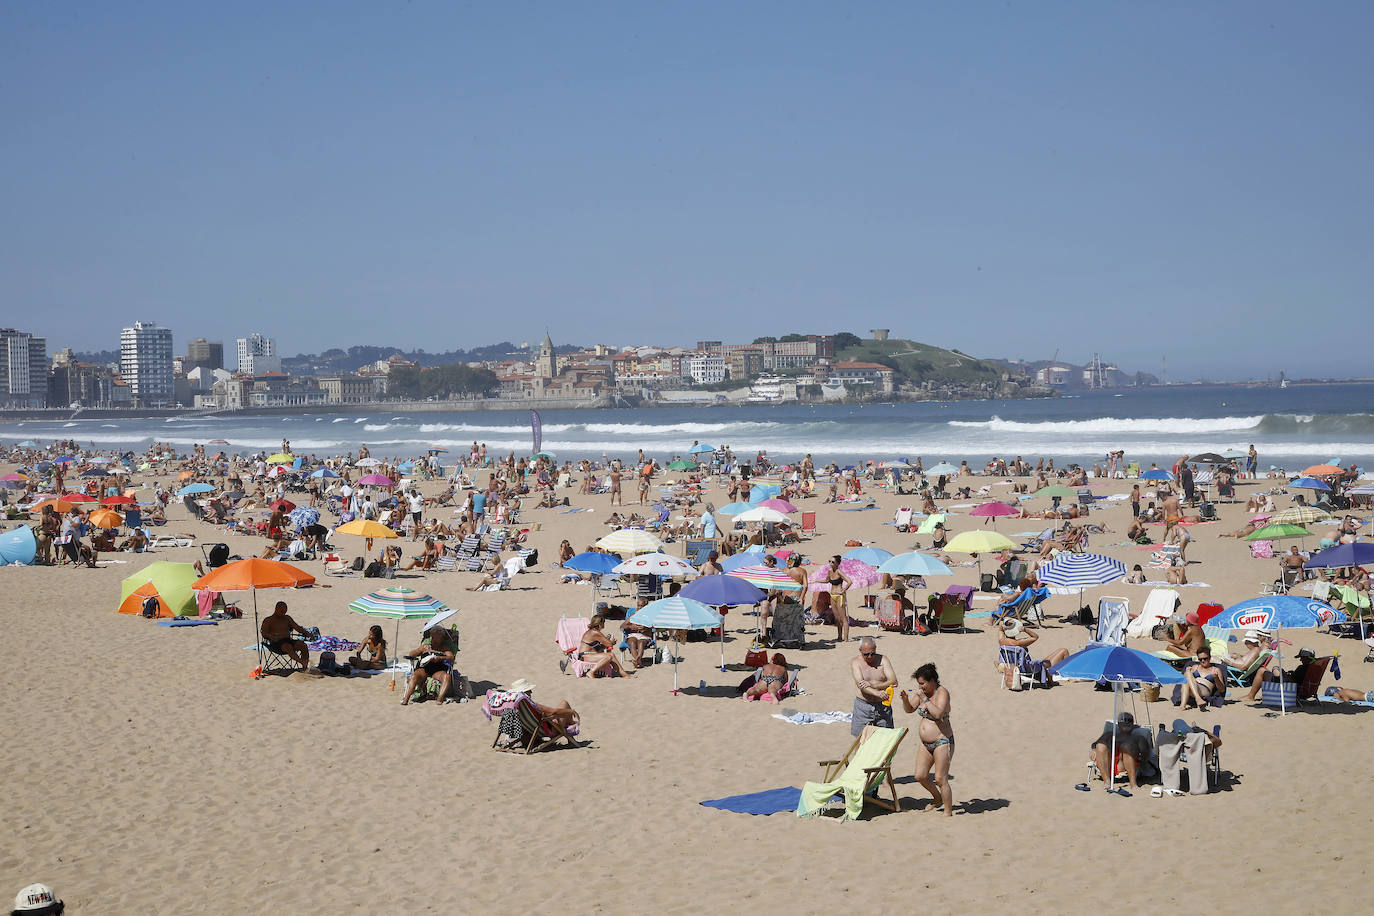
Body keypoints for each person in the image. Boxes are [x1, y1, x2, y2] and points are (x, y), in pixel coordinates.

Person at [899, 662, 955, 815]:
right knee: (920, 775)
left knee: (940, 778)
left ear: (932, 681)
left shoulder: (942, 692)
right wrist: (905, 699)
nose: (920, 687)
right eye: (919, 684)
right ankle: (937, 798)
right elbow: (909, 709)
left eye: (923, 683)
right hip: (926, 744)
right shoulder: (922, 694)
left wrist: (924, 698)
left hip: (942, 741)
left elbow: (938, 714)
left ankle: (948, 812)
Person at [848, 637, 897, 736]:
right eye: (866, 654)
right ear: (860, 650)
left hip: (882, 706)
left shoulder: (883, 660)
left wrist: (874, 685)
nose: (870, 656)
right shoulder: (856, 662)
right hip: (863, 707)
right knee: (860, 740)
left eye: (872, 653)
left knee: (885, 740)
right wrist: (877, 692)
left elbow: (894, 681)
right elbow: (860, 685)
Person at [401, 621, 458, 705]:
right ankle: (406, 699)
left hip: (438, 670)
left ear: (442, 637)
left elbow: (451, 657)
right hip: (424, 669)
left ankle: (439, 699)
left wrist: (440, 657)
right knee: (414, 676)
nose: (434, 639)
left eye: (437, 637)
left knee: (447, 677)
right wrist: (421, 650)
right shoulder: (426, 646)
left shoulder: (444, 647)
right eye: (433, 636)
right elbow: (411, 654)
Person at [1088, 712, 1146, 792]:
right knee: (1100, 746)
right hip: (1108, 764)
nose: (1126, 723)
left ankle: (1133, 783)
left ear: (1132, 724)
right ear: (1119, 724)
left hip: (1125, 765)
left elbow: (1144, 753)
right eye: (1123, 721)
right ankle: (1107, 781)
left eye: (1129, 721)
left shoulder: (1138, 738)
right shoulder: (1110, 735)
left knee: (1126, 746)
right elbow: (1095, 744)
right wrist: (1094, 749)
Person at [998, 618, 1069, 681]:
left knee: (1049, 659)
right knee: (1063, 651)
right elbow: (1035, 637)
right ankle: (1066, 675)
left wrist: (1005, 624)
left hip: (1016, 669)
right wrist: (1025, 630)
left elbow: (1000, 629)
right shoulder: (1019, 643)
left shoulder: (1001, 642)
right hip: (1031, 670)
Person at [1246, 647, 1318, 702]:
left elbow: (1294, 681)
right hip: (1301, 690)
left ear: (1307, 658)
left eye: (1302, 658)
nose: (1300, 660)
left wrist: (1286, 676)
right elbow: (1300, 679)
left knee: (1262, 670)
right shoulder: (1315, 668)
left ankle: (1250, 696)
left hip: (1290, 690)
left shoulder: (1302, 668)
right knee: (1268, 670)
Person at [260, 601, 313, 671]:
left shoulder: (287, 618)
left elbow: (297, 628)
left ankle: (304, 668)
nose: (283, 613)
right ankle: (302, 662)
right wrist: (270, 636)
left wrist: (307, 633)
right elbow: (264, 633)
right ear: (276, 609)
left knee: (303, 645)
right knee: (288, 647)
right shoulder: (268, 620)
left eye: (285, 611)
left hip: (288, 640)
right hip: (276, 643)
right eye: (282, 611)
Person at [825, 555, 855, 643]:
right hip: (832, 595)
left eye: (833, 562)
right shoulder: (830, 571)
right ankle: (839, 637)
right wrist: (816, 581)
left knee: (843, 618)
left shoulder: (839, 572)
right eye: (829, 561)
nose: (830, 563)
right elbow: (827, 581)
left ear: (838, 564)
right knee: (837, 618)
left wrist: (843, 590)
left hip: (839, 596)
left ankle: (846, 639)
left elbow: (849, 581)